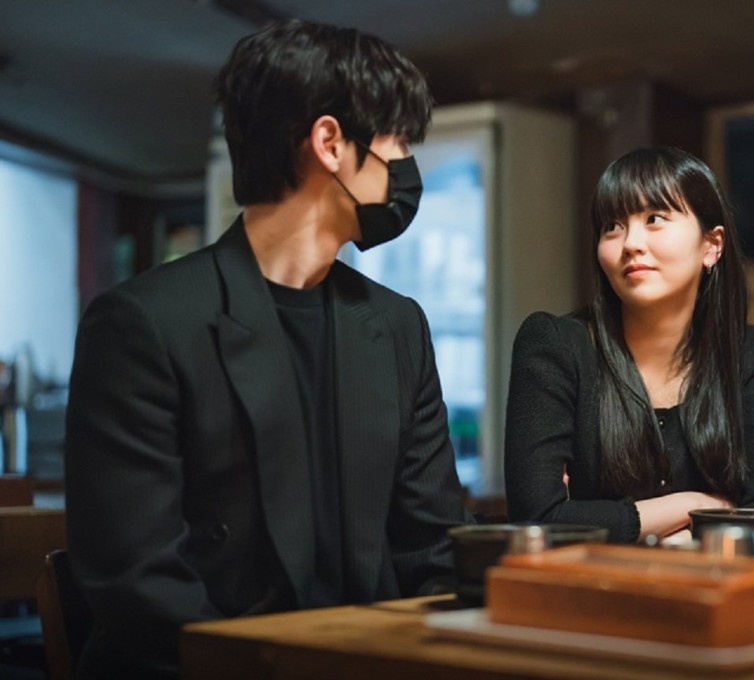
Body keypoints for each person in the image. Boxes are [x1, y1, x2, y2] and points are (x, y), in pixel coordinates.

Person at [64, 20, 471, 679]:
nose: (404, 164)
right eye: (397, 139)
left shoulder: (398, 326)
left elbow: (433, 551)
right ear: (331, 142)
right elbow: (140, 587)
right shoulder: (143, 323)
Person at [504, 146, 754, 544]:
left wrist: (614, 524)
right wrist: (701, 506)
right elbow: (537, 521)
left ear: (712, 246)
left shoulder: (737, 350)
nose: (630, 243)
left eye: (654, 218)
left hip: (707, 597)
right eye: (612, 225)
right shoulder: (555, 346)